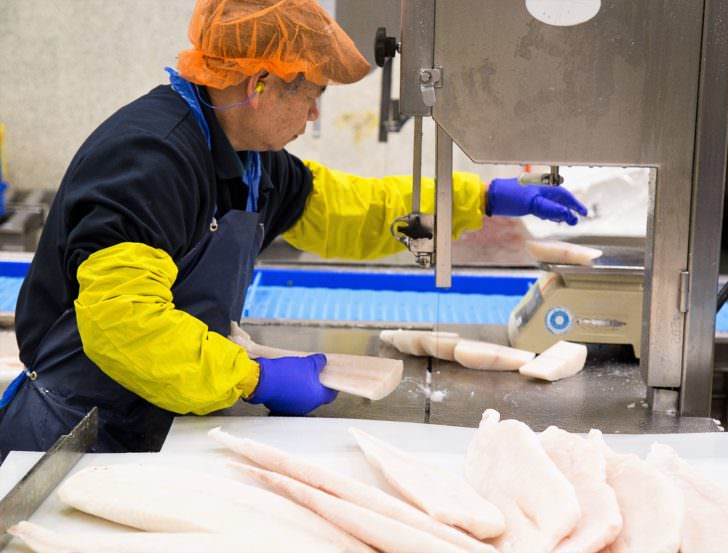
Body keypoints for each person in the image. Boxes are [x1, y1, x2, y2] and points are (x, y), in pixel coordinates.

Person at [0, 0, 586, 457]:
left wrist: (483, 197)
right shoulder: (151, 159)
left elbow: (349, 209)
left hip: (164, 411)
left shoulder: (250, 158)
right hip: (77, 431)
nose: (312, 115)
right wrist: (252, 378)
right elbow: (124, 326)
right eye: (310, 96)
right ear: (259, 85)